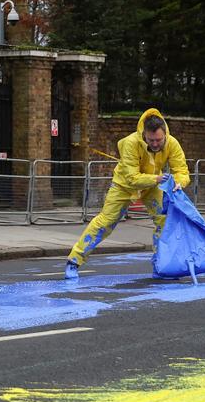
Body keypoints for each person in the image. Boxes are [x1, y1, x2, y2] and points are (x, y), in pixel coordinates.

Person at [64, 108, 191, 279]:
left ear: (165, 134)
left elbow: (182, 171)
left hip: (153, 185)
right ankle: (74, 261)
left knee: (165, 221)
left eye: (159, 140)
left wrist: (178, 183)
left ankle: (161, 265)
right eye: (151, 140)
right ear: (143, 134)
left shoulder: (172, 143)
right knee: (105, 222)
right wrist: (157, 178)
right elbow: (132, 178)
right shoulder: (130, 143)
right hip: (124, 185)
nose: (155, 144)